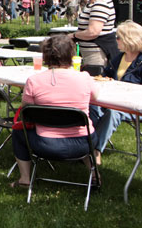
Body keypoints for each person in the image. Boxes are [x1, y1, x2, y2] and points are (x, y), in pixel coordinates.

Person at [9, 35, 99, 188]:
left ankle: (24, 179)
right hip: (84, 143)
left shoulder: (34, 81)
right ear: (72, 55)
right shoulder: (84, 77)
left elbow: (26, 108)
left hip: (45, 144)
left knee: (18, 133)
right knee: (92, 121)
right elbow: (95, 98)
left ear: (45, 56)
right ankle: (95, 172)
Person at [91, 21, 142, 165]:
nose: (116, 40)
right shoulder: (119, 58)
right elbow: (106, 75)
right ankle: (85, 143)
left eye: (119, 37)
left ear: (130, 39)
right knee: (91, 107)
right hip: (115, 99)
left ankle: (94, 150)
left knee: (112, 112)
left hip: (136, 105)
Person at [73, 0, 118, 69]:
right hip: (91, 53)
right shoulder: (95, 3)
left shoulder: (100, 5)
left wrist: (74, 36)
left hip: (97, 54)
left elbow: (93, 32)